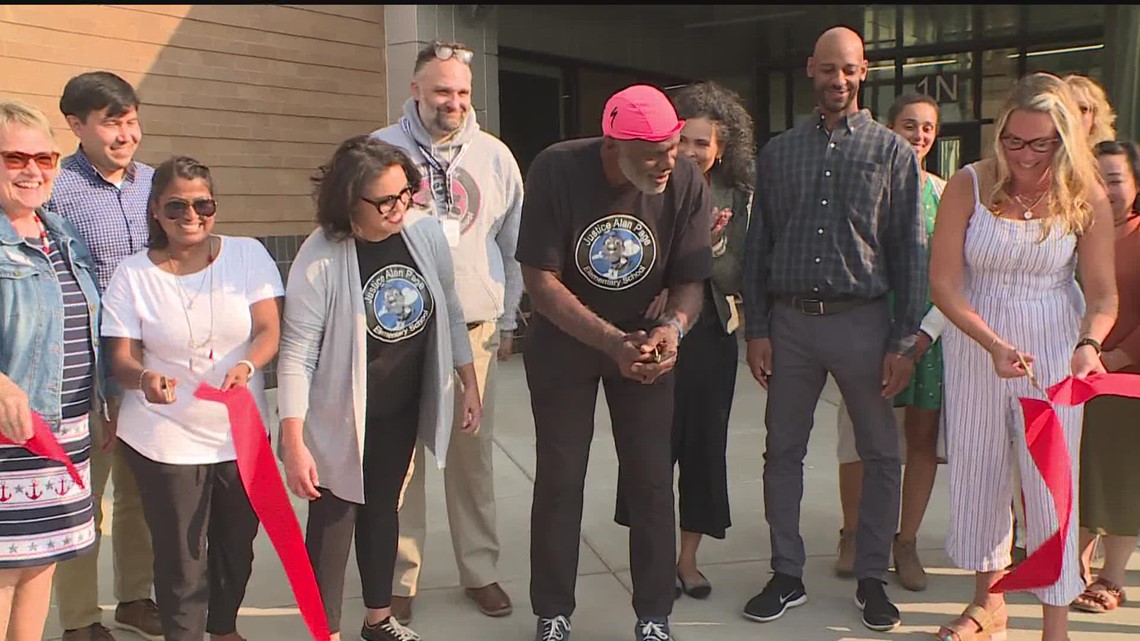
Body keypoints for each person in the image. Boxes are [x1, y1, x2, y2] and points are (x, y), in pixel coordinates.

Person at [741, 26, 925, 632]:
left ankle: (872, 577)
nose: (838, 80)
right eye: (827, 70)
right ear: (810, 71)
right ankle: (786, 572)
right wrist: (758, 329)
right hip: (790, 323)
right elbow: (758, 244)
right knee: (782, 452)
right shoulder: (779, 152)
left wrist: (903, 341)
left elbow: (909, 253)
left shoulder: (891, 153)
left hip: (864, 325)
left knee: (880, 452)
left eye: (848, 70)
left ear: (863, 71)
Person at [517, 84, 712, 641]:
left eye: (673, 148)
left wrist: (671, 329)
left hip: (646, 347)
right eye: (653, 153)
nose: (667, 162)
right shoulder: (557, 169)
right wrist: (609, 341)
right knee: (559, 479)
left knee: (651, 481)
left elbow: (690, 280)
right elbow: (540, 280)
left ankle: (654, 616)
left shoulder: (686, 180)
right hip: (566, 343)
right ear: (612, 144)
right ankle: (553, 611)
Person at [929, 72, 1117, 641]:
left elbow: (1104, 295)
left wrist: (1089, 346)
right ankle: (989, 605)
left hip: (1055, 347)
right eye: (1014, 141)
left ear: (1065, 139)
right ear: (999, 134)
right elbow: (943, 284)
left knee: (1051, 488)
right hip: (977, 343)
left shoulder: (1086, 194)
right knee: (981, 472)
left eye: (1041, 144)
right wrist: (991, 344)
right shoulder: (968, 185)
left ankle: (1054, 624)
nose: (1026, 155)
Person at [278, 136, 481, 641]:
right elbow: (297, 351)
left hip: (398, 409)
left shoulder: (423, 233)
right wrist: (293, 436)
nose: (399, 208)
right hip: (337, 414)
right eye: (385, 200)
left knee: (381, 511)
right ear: (350, 202)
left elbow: (450, 310)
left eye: (405, 193)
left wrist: (467, 380)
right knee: (333, 521)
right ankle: (324, 633)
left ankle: (378, 619)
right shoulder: (320, 255)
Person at [370, 39, 523, 623]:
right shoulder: (379, 150)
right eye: (440, 91)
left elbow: (511, 248)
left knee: (470, 459)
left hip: (475, 331)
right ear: (414, 90)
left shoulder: (494, 157)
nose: (452, 102)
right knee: (399, 461)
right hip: (398, 334)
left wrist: (508, 318)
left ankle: (479, 570)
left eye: (462, 92)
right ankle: (399, 577)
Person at [101, 156, 284, 641]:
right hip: (165, 437)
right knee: (183, 556)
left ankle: (223, 629)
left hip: (239, 432)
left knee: (237, 545)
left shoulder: (247, 256)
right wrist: (144, 379)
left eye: (203, 204)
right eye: (177, 205)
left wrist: (249, 365)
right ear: (156, 211)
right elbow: (121, 356)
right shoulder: (132, 274)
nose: (192, 215)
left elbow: (268, 330)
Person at [613, 80, 754, 601]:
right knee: (650, 451)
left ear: (721, 149)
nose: (691, 152)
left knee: (702, 449)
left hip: (711, 335)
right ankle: (649, 562)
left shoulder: (739, 199)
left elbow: (738, 270)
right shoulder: (648, 185)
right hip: (652, 334)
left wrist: (712, 247)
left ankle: (686, 560)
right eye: (684, 140)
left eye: (703, 143)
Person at [48, 71, 161, 641]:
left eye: (132, 120)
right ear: (76, 124)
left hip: (149, 369)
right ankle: (79, 620)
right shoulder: (54, 191)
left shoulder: (153, 184)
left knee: (140, 493)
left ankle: (136, 599)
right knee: (83, 499)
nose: (127, 134)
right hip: (84, 371)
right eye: (112, 122)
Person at [832, 93, 947, 592]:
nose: (918, 135)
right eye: (909, 124)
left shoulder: (945, 194)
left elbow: (956, 273)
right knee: (859, 435)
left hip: (928, 335)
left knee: (920, 441)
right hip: (872, 329)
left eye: (927, 127)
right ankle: (854, 534)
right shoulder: (864, 187)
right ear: (888, 128)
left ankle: (906, 541)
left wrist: (927, 332)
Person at [0, 99, 98, 641]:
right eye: (16, 157)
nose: (33, 170)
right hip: (9, 434)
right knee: (4, 572)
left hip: (64, 427)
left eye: (46, 157)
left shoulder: (59, 232)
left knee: (42, 561)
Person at [1071, 140, 1140, 614]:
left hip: (1126, 379)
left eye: (1114, 179)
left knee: (1120, 479)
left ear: (1135, 183)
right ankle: (1067, 569)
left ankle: (1111, 577)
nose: (1106, 189)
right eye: (1096, 179)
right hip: (1072, 373)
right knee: (1073, 473)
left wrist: (1117, 356)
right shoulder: (1072, 232)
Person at [1064, 75, 1117, 147]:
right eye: (1067, 109)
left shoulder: (1107, 156)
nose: (1075, 115)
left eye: (1083, 109)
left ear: (1096, 116)